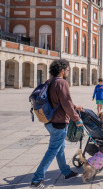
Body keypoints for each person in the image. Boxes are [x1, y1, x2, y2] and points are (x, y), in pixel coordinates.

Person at [31, 59, 84, 188]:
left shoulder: (50, 81)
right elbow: (66, 103)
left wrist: (75, 106)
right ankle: (37, 180)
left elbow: (59, 101)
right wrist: (77, 119)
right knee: (53, 150)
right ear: (62, 70)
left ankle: (66, 172)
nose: (67, 72)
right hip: (59, 122)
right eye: (67, 70)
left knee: (60, 149)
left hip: (49, 121)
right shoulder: (62, 83)